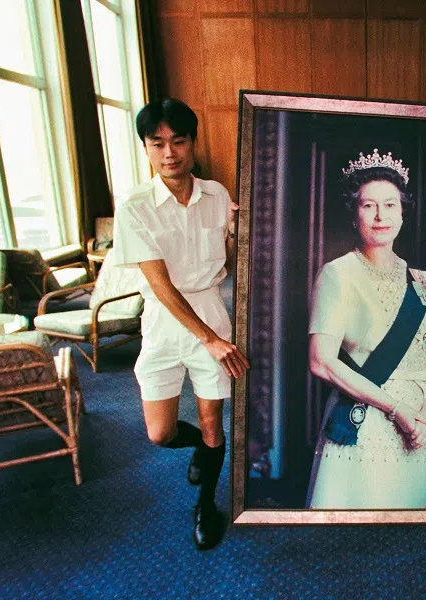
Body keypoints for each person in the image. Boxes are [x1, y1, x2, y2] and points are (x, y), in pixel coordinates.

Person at [112, 98, 250, 550]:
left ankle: (206, 504)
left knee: (214, 424)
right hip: (164, 320)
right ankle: (199, 451)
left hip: (211, 307)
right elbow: (161, 284)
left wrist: (235, 232)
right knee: (160, 433)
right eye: (158, 144)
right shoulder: (134, 205)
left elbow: (224, 265)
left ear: (192, 143)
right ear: (146, 149)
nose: (169, 152)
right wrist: (209, 340)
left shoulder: (216, 195)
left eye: (178, 141)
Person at [306, 149, 426, 508]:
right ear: (355, 215)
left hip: (419, 421)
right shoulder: (337, 275)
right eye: (368, 205)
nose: (380, 215)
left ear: (403, 213)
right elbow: (321, 362)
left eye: (389, 205)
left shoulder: (425, 283)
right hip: (364, 420)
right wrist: (395, 408)